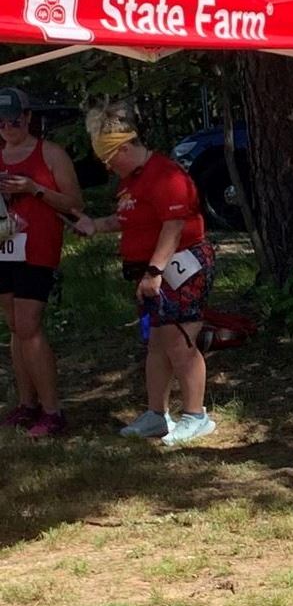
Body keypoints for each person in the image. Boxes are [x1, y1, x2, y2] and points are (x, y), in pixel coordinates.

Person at [71, 98, 218, 446]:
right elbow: (128, 219)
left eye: (108, 159)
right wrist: (95, 225)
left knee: (180, 342)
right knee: (156, 343)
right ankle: (156, 413)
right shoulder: (131, 181)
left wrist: (155, 271)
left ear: (123, 148)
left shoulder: (165, 175)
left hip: (179, 267)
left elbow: (173, 225)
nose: (108, 168)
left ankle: (196, 416)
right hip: (151, 272)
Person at [0, 87, 83, 440]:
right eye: (0, 123)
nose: (7, 128)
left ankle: (52, 410)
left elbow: (74, 204)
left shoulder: (50, 153)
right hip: (3, 246)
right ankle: (27, 403)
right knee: (15, 327)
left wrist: (34, 188)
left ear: (29, 117)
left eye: (14, 121)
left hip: (38, 248)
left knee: (30, 325)